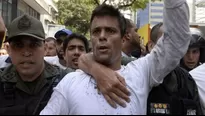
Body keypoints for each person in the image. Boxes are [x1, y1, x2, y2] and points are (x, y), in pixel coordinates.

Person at [41, 0, 191, 114]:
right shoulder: (70, 82)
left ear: (123, 38)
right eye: (96, 31)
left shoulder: (141, 72)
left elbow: (176, 40)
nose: (102, 36)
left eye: (110, 31)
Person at [0, 14, 73, 115]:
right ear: (9, 50)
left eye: (33, 45)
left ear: (45, 48)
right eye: (18, 45)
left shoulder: (66, 80)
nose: (26, 53)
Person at [146, 22, 202, 115]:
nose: (173, 49)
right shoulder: (138, 75)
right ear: (151, 46)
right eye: (166, 43)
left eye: (176, 44)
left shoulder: (187, 80)